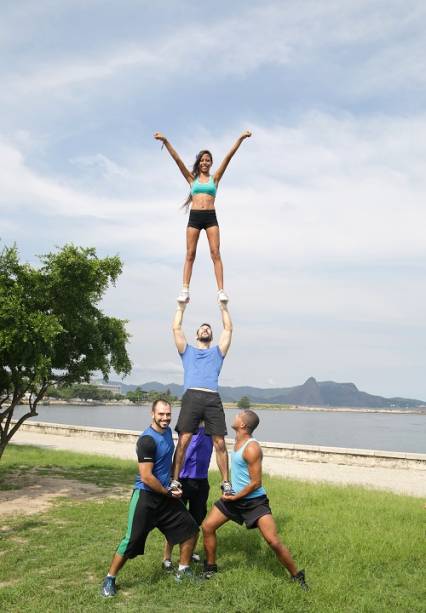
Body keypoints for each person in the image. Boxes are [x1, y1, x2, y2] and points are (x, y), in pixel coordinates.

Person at [101, 399, 199, 597]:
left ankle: (183, 570)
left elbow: (166, 464)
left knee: (191, 529)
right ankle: (109, 579)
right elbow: (146, 476)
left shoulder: (167, 434)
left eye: (168, 414)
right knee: (131, 541)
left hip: (165, 495)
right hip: (146, 497)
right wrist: (167, 491)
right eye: (161, 414)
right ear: (152, 414)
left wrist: (173, 482)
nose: (165, 418)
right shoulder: (147, 440)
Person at [201, 409, 309, 591]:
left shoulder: (252, 448)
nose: (234, 416)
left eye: (238, 415)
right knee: (207, 527)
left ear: (243, 424)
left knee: (273, 541)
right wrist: (227, 485)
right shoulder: (237, 440)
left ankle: (297, 576)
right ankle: (210, 568)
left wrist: (235, 496)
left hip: (254, 501)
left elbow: (256, 483)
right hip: (234, 497)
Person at [154, 130, 252, 304]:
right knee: (190, 254)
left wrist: (240, 139)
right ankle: (185, 289)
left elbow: (228, 157)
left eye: (208, 160)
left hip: (210, 217)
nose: (205, 162)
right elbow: (177, 160)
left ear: (211, 163)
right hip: (195, 217)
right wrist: (166, 141)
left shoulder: (215, 179)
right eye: (202, 160)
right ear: (199, 163)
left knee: (215, 253)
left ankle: (221, 290)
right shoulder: (192, 179)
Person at [170, 299, 233, 497]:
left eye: (208, 328)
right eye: (202, 328)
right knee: (184, 439)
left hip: (212, 397)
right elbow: (176, 327)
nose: (205, 329)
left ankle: (226, 483)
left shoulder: (218, 352)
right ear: (197, 334)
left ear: (211, 335)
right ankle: (175, 480)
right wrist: (181, 306)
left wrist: (223, 306)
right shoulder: (187, 351)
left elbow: (228, 329)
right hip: (192, 396)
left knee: (220, 443)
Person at [162, 423, 214, 571]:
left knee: (196, 521)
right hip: (183, 480)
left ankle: (188, 552)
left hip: (201, 481)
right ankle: (166, 558)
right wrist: (174, 479)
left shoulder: (211, 430)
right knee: (175, 521)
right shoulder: (186, 428)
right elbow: (178, 454)